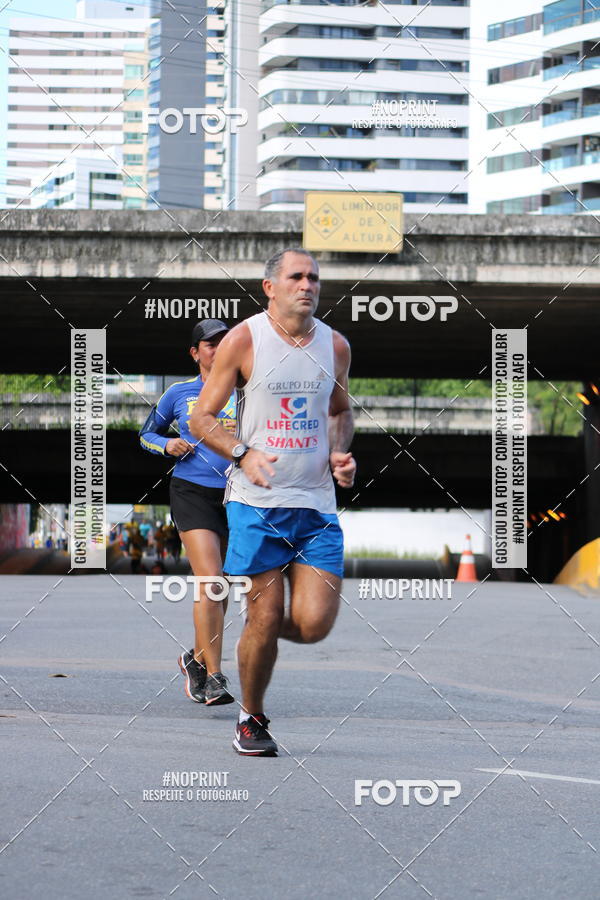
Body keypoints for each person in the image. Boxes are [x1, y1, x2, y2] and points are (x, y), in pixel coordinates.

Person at [191, 248, 356, 756]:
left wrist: (340, 451)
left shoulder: (336, 345)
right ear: (271, 287)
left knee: (312, 625)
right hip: (256, 502)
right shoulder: (244, 339)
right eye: (296, 277)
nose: (307, 285)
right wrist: (242, 453)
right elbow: (201, 418)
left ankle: (251, 639)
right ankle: (250, 716)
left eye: (314, 278)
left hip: (316, 505)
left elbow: (340, 410)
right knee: (265, 613)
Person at [139, 319, 237, 706]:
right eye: (209, 344)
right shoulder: (178, 393)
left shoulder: (246, 393)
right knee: (210, 580)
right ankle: (214, 676)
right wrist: (168, 446)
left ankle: (195, 659)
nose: (218, 348)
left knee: (225, 586)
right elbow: (146, 434)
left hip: (237, 495)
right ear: (195, 353)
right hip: (191, 492)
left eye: (224, 342)